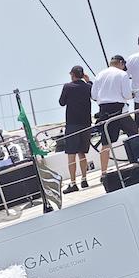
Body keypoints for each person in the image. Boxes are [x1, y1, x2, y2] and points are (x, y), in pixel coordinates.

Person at [92, 55, 138, 174]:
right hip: (120, 111)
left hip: (104, 111)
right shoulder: (122, 74)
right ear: (121, 63)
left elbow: (94, 96)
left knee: (106, 143)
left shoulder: (99, 75)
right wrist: (132, 95)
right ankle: (137, 160)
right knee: (134, 134)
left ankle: (103, 172)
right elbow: (127, 95)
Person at [58, 65, 93, 193]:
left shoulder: (68, 87)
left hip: (72, 124)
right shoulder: (88, 87)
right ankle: (84, 179)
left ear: (72, 74)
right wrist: (88, 81)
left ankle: (73, 183)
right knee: (82, 153)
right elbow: (94, 95)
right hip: (86, 124)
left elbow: (61, 102)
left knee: (71, 155)